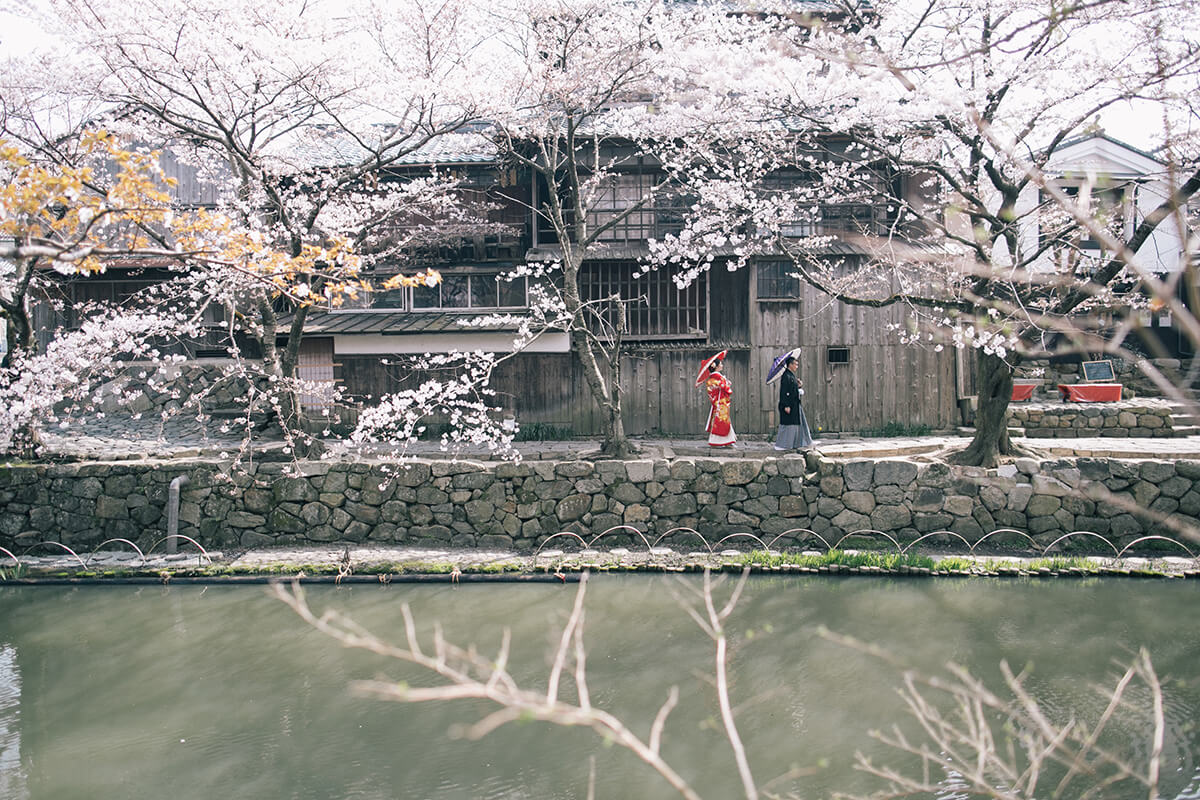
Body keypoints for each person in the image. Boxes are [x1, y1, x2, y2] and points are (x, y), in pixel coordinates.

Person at [774, 355, 813, 450]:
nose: (797, 366)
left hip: (795, 404)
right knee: (788, 425)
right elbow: (785, 392)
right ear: (790, 365)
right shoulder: (786, 376)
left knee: (797, 424)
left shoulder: (791, 375)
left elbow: (792, 389)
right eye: (795, 364)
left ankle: (797, 443)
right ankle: (783, 445)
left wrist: (798, 386)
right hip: (789, 405)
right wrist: (786, 405)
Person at [704, 355, 737, 447]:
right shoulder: (717, 379)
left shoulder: (712, 380)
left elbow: (718, 388)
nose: (722, 365)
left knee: (723, 421)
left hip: (719, 402)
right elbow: (726, 388)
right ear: (716, 367)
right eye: (721, 364)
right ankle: (717, 441)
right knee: (721, 421)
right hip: (721, 403)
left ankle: (728, 441)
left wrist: (725, 382)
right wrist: (725, 383)